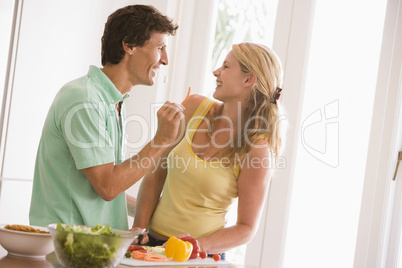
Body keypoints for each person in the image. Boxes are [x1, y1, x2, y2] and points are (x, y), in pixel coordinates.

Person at [29, 5, 183, 230]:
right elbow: (108, 186)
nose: (165, 60)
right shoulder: (84, 100)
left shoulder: (114, 101)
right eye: (160, 47)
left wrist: (154, 212)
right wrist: (161, 140)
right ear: (129, 45)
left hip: (92, 247)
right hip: (66, 250)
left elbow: (100, 190)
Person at [131, 42, 286, 255]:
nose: (216, 72)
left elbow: (246, 228)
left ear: (248, 80)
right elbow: (155, 173)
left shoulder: (257, 149)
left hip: (198, 257)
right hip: (150, 244)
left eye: (225, 66)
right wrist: (138, 230)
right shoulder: (195, 107)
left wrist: (195, 246)